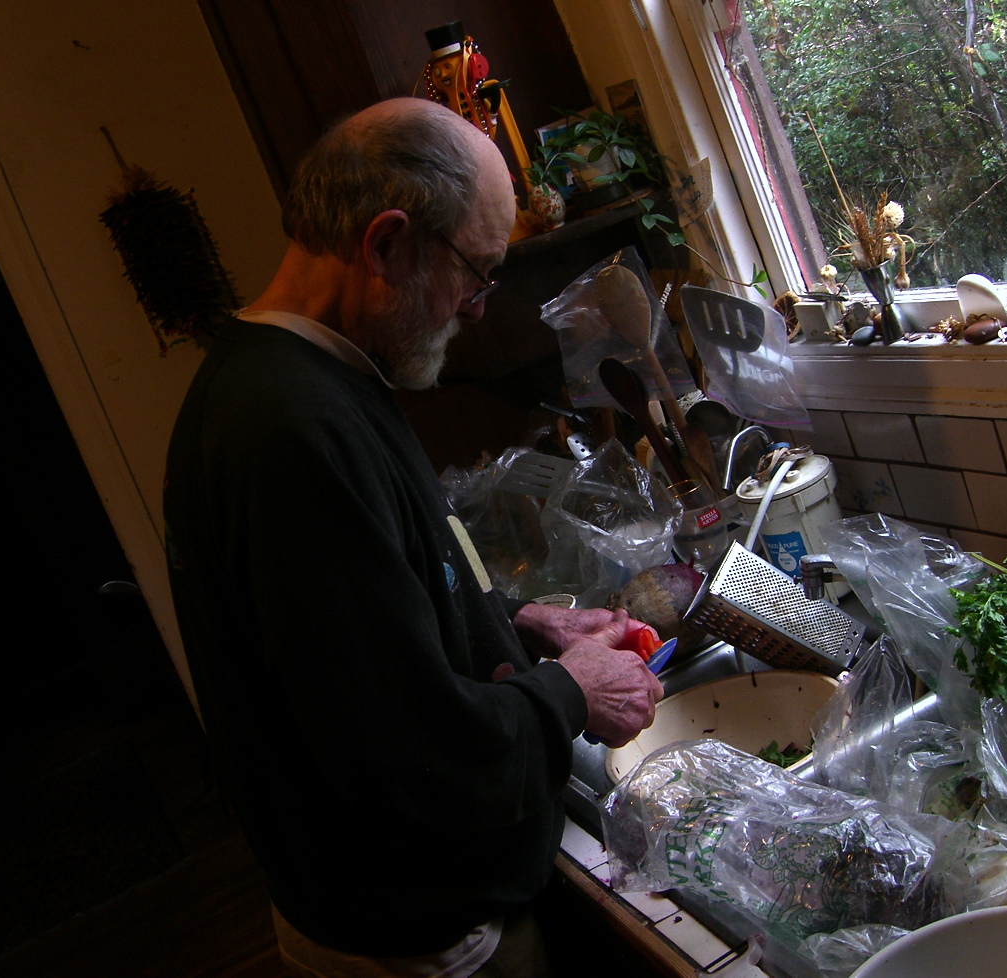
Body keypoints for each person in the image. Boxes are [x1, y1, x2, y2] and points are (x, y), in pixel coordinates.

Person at [164, 97, 664, 978]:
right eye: (477, 273)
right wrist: (567, 692)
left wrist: (517, 625)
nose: (477, 309)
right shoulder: (289, 432)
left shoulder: (301, 377)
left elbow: (371, 619)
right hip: (421, 935)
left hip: (399, 906)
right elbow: (403, 754)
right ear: (388, 243)